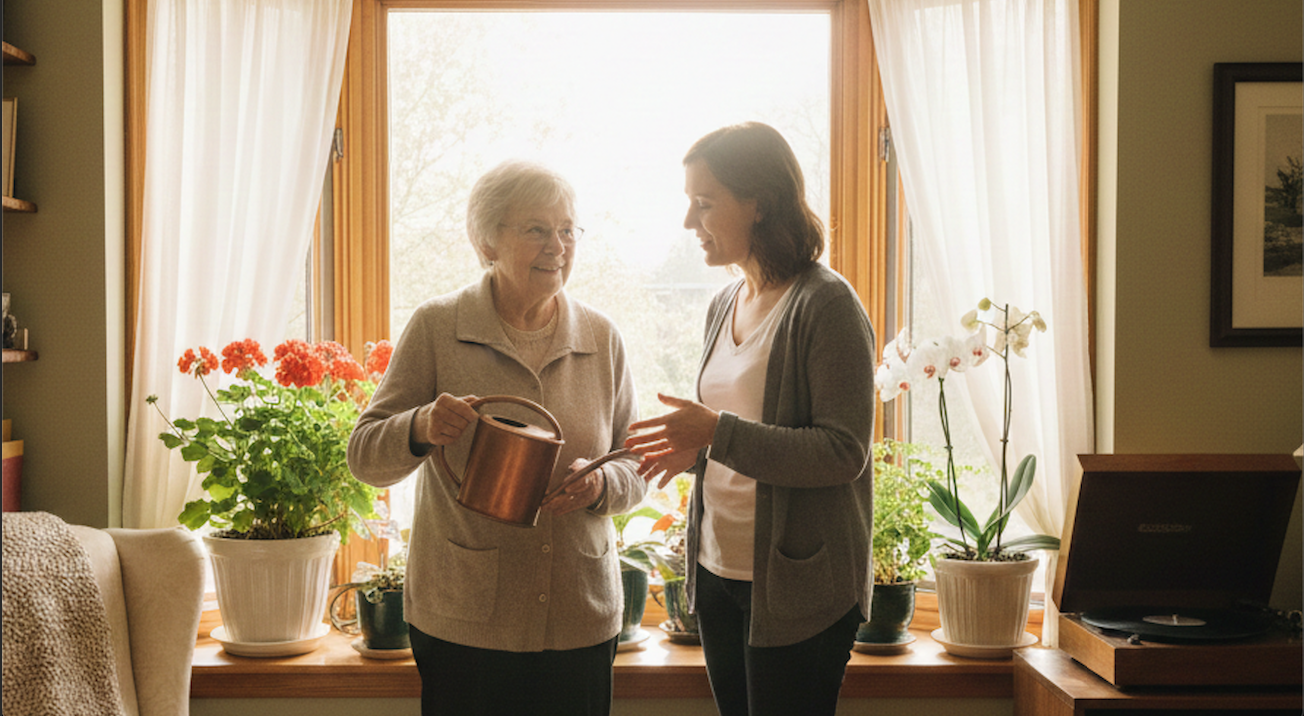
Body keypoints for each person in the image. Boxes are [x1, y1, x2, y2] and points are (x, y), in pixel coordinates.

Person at [348, 160, 646, 716]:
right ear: (486, 240)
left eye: (567, 229)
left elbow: (636, 463)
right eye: (536, 229)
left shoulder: (602, 337)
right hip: (466, 618)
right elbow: (364, 457)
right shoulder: (438, 326)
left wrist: (603, 484)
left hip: (579, 615)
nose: (557, 245)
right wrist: (419, 427)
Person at [624, 122, 876, 716]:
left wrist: (713, 433)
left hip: (798, 586)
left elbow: (843, 452)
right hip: (716, 572)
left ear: (758, 203)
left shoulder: (826, 304)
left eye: (704, 204)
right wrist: (695, 451)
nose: (690, 223)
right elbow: (742, 435)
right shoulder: (724, 303)